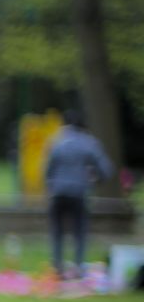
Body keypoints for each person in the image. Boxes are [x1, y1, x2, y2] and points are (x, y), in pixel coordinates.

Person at [45, 109, 113, 278]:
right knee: (80, 231)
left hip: (58, 193)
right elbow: (106, 170)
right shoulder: (89, 142)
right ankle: (78, 267)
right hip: (79, 193)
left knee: (57, 231)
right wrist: (94, 181)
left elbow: (47, 170)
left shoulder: (55, 140)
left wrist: (53, 185)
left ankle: (57, 267)